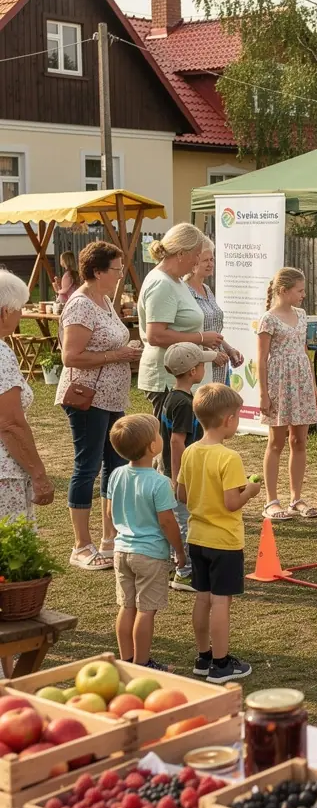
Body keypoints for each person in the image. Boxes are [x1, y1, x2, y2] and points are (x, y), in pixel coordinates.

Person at [58, 242, 142, 569]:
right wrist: (117, 355)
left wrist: (127, 350)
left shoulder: (104, 300)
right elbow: (71, 357)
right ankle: (81, 546)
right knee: (88, 466)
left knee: (116, 465)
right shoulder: (80, 305)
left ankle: (110, 538)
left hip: (112, 397)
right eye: (116, 269)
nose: (121, 275)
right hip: (88, 397)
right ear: (97, 271)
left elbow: (108, 341)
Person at [177, 383, 260, 683]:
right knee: (221, 602)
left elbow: (181, 494)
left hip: (197, 538)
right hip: (224, 541)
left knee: (203, 598)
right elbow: (231, 503)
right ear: (228, 419)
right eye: (238, 416)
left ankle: (204, 657)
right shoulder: (229, 458)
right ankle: (221, 664)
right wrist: (250, 490)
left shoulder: (190, 452)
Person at [108, 414, 186, 670]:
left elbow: (109, 511)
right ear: (153, 447)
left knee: (126, 606)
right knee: (146, 610)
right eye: (158, 434)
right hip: (150, 555)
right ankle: (142, 663)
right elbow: (167, 522)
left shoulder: (116, 475)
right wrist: (179, 550)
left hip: (122, 550)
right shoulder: (160, 482)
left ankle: (126, 660)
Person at [138, 223, 222, 428]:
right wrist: (201, 339)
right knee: (171, 442)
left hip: (180, 375)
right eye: (196, 255)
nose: (197, 261)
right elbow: (156, 335)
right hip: (167, 379)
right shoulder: (162, 283)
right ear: (182, 253)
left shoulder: (175, 281)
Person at [257, 268, 317, 520]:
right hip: (279, 384)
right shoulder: (268, 319)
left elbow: (303, 352)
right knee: (276, 442)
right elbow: (261, 359)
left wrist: (313, 386)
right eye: (300, 290)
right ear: (283, 291)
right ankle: (271, 501)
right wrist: (263, 394)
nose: (303, 295)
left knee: (299, 441)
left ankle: (296, 498)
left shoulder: (302, 315)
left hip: (301, 382)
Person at [160, 343, 218, 593]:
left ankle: (174, 563)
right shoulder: (184, 403)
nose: (204, 369)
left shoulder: (172, 396)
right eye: (202, 364)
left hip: (170, 471)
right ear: (193, 371)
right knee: (185, 521)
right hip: (180, 475)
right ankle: (185, 572)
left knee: (178, 520)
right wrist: (179, 478)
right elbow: (176, 441)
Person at [0, 271, 53, 519]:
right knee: (12, 540)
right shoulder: (1, 354)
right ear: (5, 312)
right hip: (4, 472)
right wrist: (38, 474)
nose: (21, 315)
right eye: (19, 308)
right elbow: (9, 423)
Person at [186, 238, 243, 386]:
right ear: (194, 262)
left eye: (212, 259)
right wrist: (211, 355)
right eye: (205, 260)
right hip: (198, 364)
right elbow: (187, 331)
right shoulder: (184, 291)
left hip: (219, 363)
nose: (210, 264)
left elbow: (214, 329)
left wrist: (229, 349)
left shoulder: (207, 289)